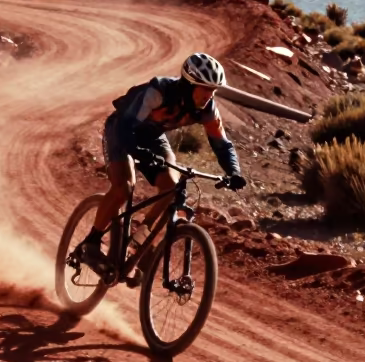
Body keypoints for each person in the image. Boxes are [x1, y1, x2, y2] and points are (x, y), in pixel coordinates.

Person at [79, 53, 245, 274]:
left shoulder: (208, 109)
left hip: (153, 137)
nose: (209, 95)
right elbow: (126, 125)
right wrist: (136, 151)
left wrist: (234, 172)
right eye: (205, 88)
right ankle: (91, 242)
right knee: (124, 187)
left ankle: (139, 240)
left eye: (213, 90)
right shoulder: (158, 92)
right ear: (189, 84)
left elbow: (222, 144)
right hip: (122, 130)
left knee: (171, 187)